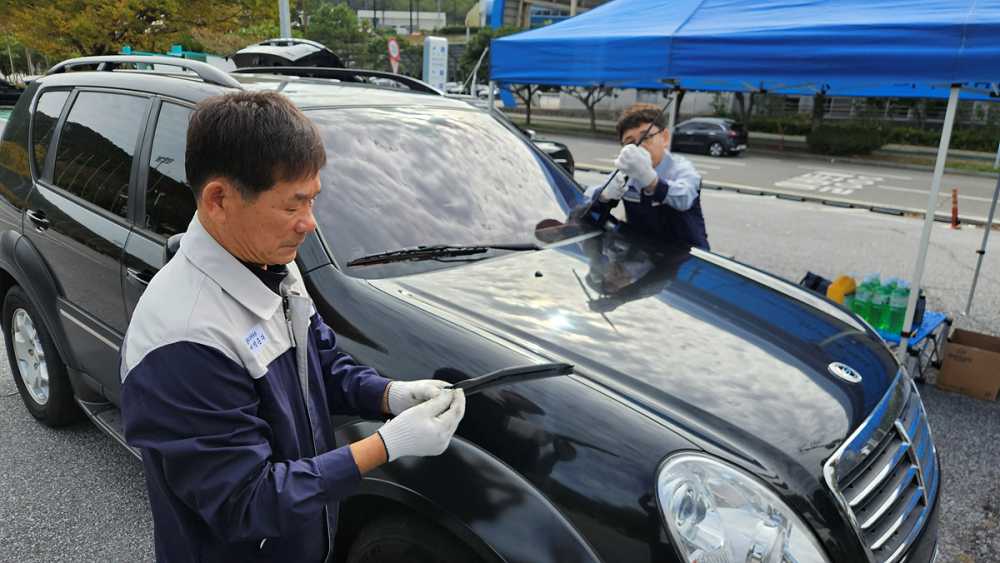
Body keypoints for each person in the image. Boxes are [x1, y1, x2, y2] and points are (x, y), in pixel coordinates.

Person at [119, 91, 465, 563]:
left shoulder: (269, 265)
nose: (308, 224)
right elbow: (247, 502)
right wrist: (386, 445)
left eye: (313, 200)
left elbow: (318, 362)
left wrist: (391, 395)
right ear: (219, 199)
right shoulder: (184, 337)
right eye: (292, 205)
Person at [584, 103, 710, 250]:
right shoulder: (626, 171)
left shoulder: (681, 169)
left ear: (665, 137)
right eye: (630, 142)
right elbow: (586, 202)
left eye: (646, 137)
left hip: (689, 257)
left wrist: (651, 180)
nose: (640, 146)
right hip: (644, 256)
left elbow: (684, 198)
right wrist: (603, 195)